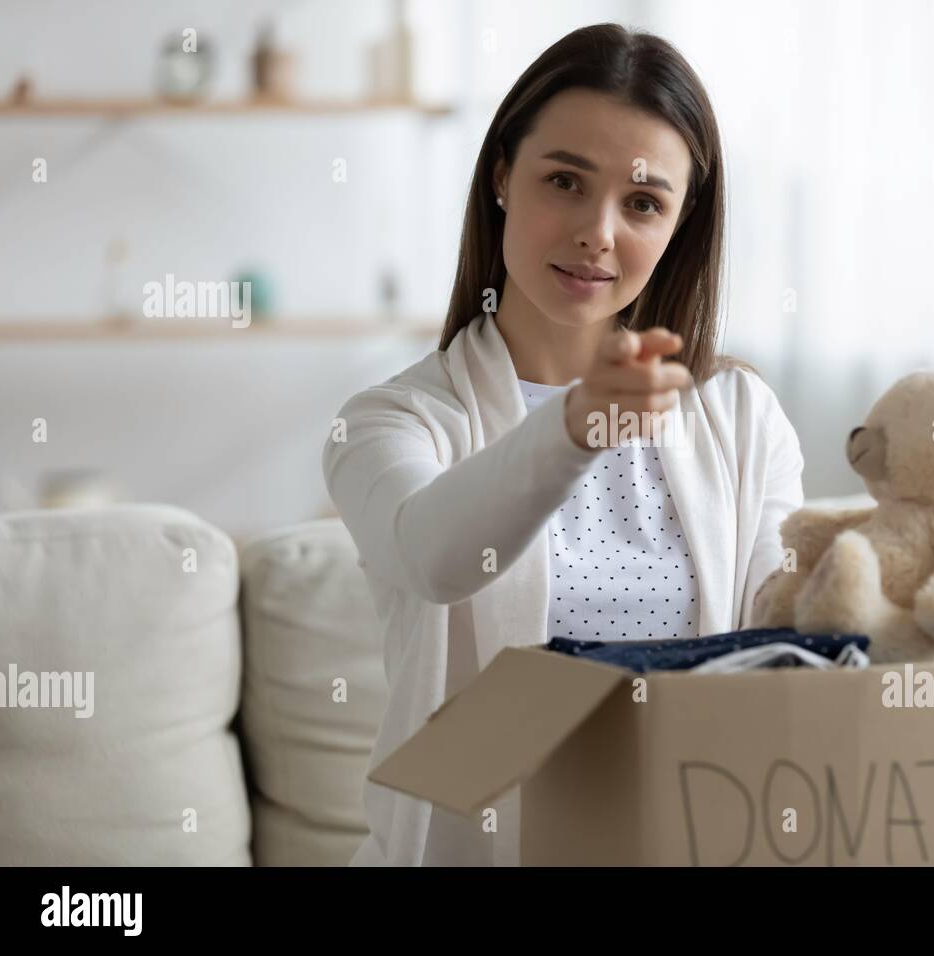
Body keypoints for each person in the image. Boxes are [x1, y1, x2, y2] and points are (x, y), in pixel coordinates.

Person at [322, 22, 804, 866]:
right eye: (566, 182)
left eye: (644, 202)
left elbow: (786, 639)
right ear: (504, 175)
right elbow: (435, 556)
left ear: (680, 222)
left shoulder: (741, 414)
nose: (599, 232)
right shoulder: (392, 422)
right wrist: (579, 423)